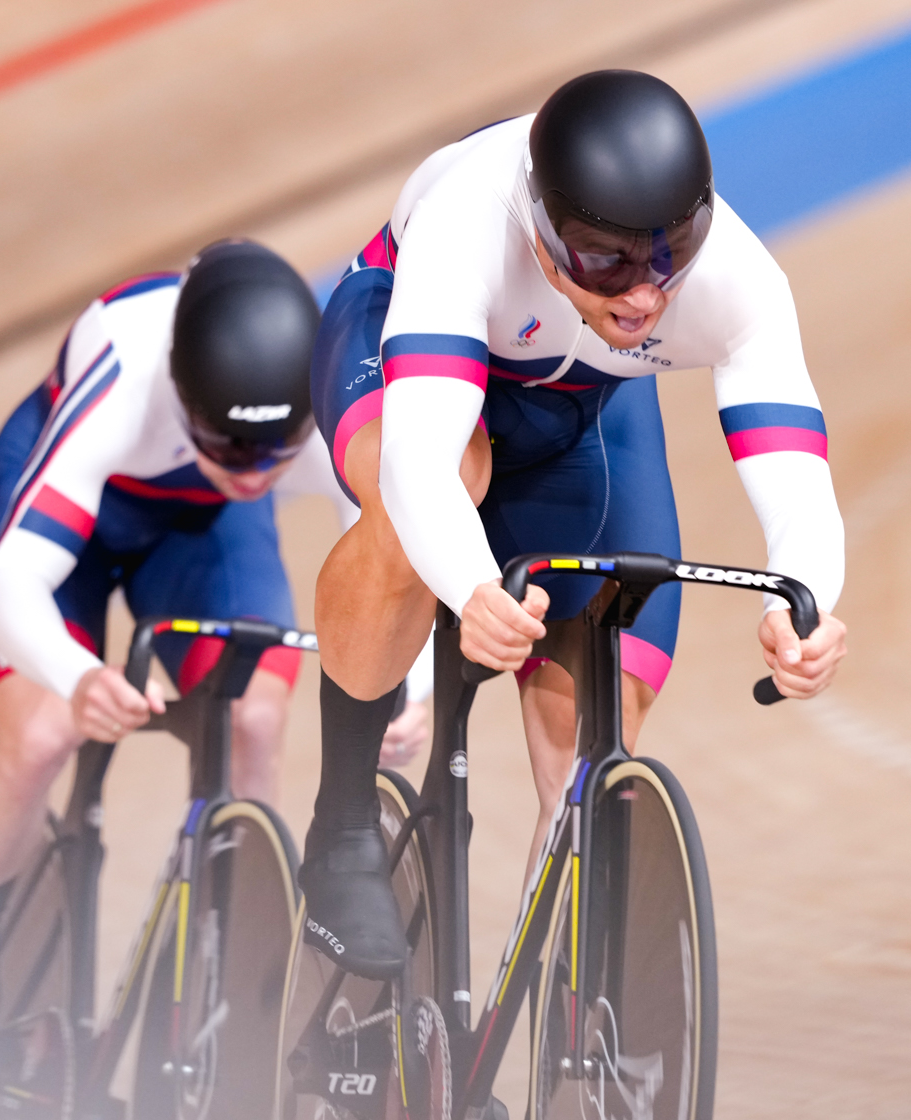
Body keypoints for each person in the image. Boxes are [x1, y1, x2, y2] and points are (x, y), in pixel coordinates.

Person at [300, 70, 850, 979]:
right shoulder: (466, 226)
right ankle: (343, 823)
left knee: (592, 759)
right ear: (548, 232)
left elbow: (793, 462)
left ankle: (567, 1025)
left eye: (670, 254)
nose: (643, 297)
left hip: (581, 411)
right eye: (607, 261)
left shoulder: (738, 274)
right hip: (404, 354)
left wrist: (808, 602)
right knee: (441, 491)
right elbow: (422, 464)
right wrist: (473, 588)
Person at [0, 238, 425, 1120]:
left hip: (202, 534)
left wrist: (405, 682)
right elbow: (6, 590)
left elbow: (398, 555)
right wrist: (76, 676)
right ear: (183, 398)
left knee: (257, 722)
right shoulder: (123, 377)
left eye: (277, 455)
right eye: (231, 447)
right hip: (77, 504)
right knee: (37, 737)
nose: (257, 474)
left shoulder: (319, 404)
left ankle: (237, 961)